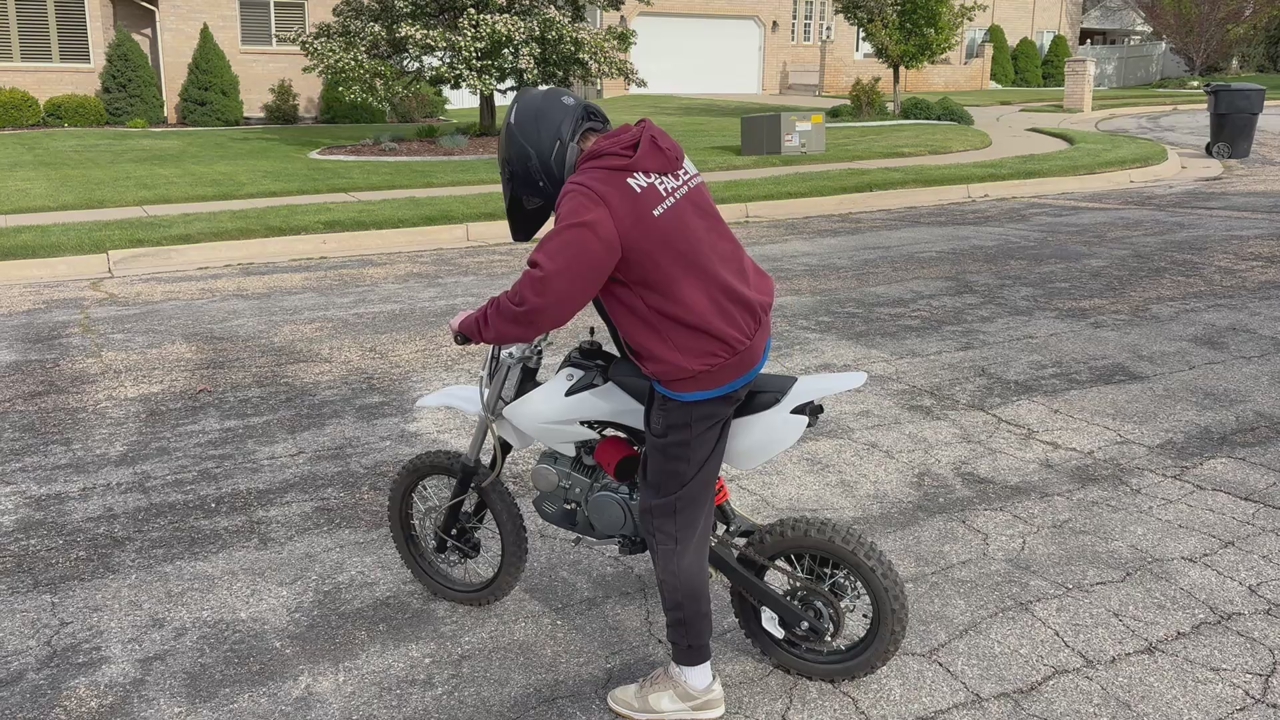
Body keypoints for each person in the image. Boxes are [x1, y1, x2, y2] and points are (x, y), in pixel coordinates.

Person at [450, 87, 774, 720]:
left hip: (700, 367)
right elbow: (653, 242)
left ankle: (693, 683)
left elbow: (541, 298)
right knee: (613, 387)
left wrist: (474, 323)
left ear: (538, 156)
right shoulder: (652, 150)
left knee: (667, 523)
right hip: (742, 326)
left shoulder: (593, 195)